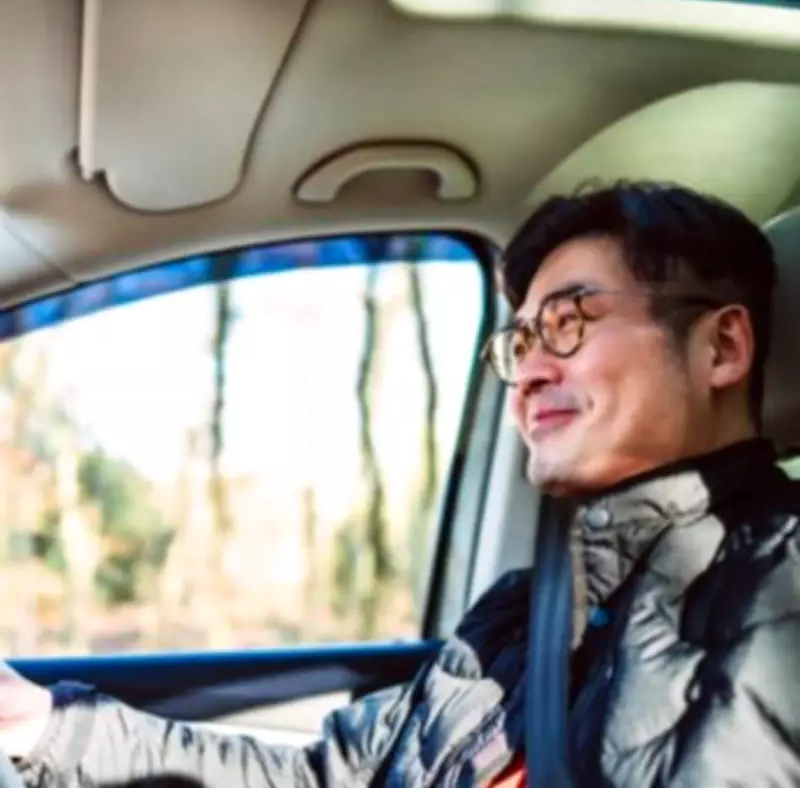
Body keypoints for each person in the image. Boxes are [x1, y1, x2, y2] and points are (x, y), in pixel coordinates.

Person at [1, 181, 799, 787]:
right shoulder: (521, 617)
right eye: (520, 343)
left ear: (723, 347)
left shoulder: (782, 582)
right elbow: (331, 777)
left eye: (567, 323)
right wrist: (46, 727)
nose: (528, 373)